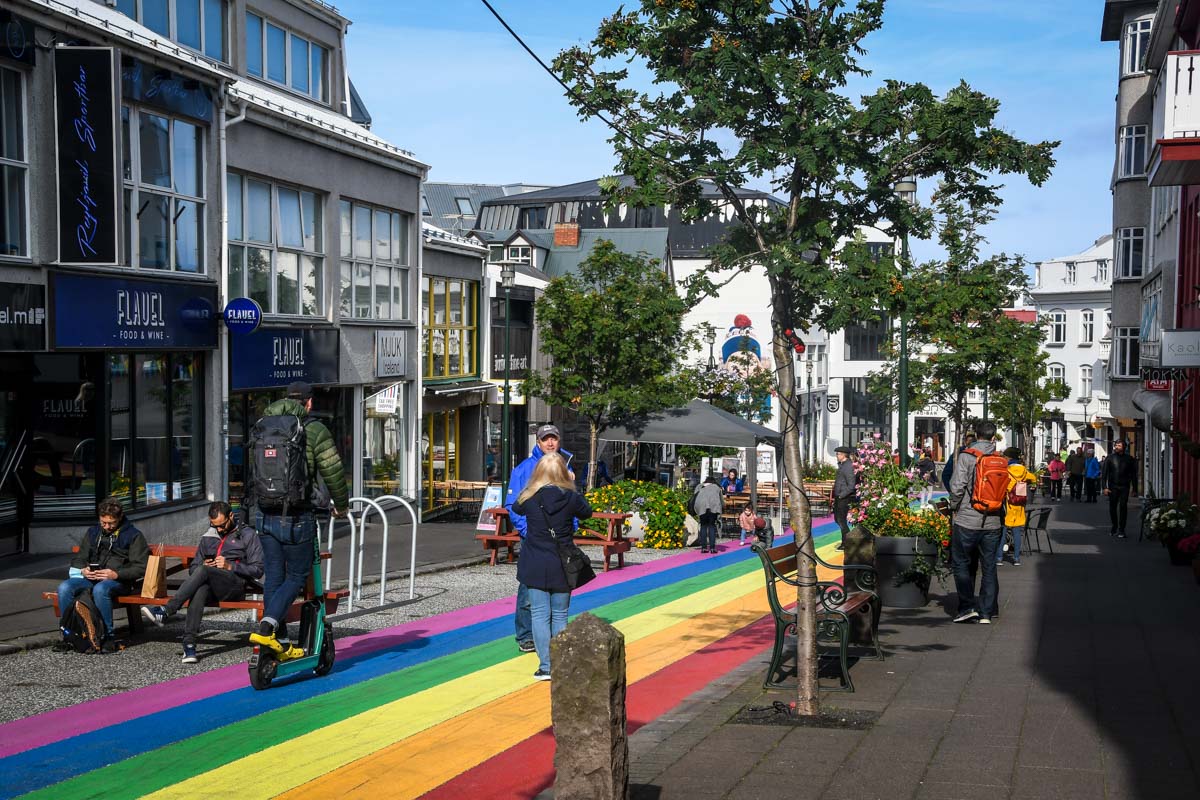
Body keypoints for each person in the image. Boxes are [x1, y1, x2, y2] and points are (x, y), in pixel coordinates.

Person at [246, 381, 348, 658]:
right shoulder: (313, 429)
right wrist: (342, 506)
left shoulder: (263, 426)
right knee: (296, 575)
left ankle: (276, 638)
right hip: (297, 516)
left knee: (274, 577)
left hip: (264, 514)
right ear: (309, 402)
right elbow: (333, 472)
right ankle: (268, 627)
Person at [141, 501, 264, 664]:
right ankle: (189, 645)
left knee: (204, 572)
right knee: (201, 586)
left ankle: (167, 610)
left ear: (231, 516)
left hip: (234, 586)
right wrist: (204, 566)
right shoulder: (209, 535)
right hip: (211, 585)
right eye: (214, 525)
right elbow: (194, 568)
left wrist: (230, 565)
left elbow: (258, 569)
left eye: (221, 525)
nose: (218, 529)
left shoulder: (248, 535)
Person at [511, 452, 593, 681]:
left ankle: (545, 665)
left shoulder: (528, 497)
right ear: (562, 472)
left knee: (538, 614)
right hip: (561, 561)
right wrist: (573, 483)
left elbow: (515, 510)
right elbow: (587, 512)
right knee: (560, 614)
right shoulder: (570, 497)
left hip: (535, 560)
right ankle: (561, 662)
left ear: (539, 472)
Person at [506, 424, 573, 654]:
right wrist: (528, 530)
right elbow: (513, 506)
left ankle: (552, 634)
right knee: (529, 587)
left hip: (559, 540)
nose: (551, 443)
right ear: (538, 442)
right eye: (546, 439)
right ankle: (526, 635)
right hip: (534, 538)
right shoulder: (524, 469)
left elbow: (573, 501)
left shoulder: (565, 466)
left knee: (558, 586)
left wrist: (569, 527)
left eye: (554, 438)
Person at [54, 497, 149, 652]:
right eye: (103, 522)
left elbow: (141, 567)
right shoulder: (93, 532)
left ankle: (107, 638)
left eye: (111, 523)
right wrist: (83, 569)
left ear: (120, 517)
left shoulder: (134, 535)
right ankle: (69, 636)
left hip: (119, 581)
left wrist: (115, 574)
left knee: (101, 590)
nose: (106, 527)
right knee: (65, 587)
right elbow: (79, 558)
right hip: (92, 577)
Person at [947, 420, 1004, 624]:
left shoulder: (967, 456)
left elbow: (957, 487)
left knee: (961, 563)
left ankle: (967, 607)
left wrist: (955, 506)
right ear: (992, 436)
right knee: (989, 566)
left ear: (977, 434)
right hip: (993, 522)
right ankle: (987, 612)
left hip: (967, 520)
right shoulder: (1000, 459)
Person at [1001, 448, 1037, 567]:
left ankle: (999, 557)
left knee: (1003, 531)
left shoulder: (1006, 470)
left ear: (1009, 458)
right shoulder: (1023, 470)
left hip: (1008, 504)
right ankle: (1016, 558)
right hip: (1019, 504)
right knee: (1017, 532)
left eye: (1005, 457)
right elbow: (1033, 478)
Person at [1102, 440, 1138, 538]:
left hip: (1124, 487)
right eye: (1116, 445)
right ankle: (1114, 526)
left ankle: (1122, 529)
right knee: (1112, 507)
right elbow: (1104, 474)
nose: (1116, 447)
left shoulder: (1130, 459)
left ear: (1124, 447)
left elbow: (1134, 475)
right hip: (1112, 487)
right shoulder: (1109, 458)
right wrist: (1104, 487)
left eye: (1119, 445)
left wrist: (1134, 489)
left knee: (1123, 507)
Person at [832, 445, 857, 550]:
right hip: (839, 496)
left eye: (837, 454)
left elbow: (851, 485)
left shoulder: (848, 466)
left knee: (841, 520)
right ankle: (847, 540)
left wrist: (842, 495)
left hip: (844, 497)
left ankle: (847, 543)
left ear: (843, 455)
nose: (836, 456)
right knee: (837, 519)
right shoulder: (842, 465)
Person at [694, 475, 724, 554]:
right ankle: (712, 548)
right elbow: (721, 501)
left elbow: (694, 496)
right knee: (711, 526)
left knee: (703, 526)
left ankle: (704, 547)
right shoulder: (716, 487)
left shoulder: (699, 486)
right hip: (713, 507)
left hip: (701, 507)